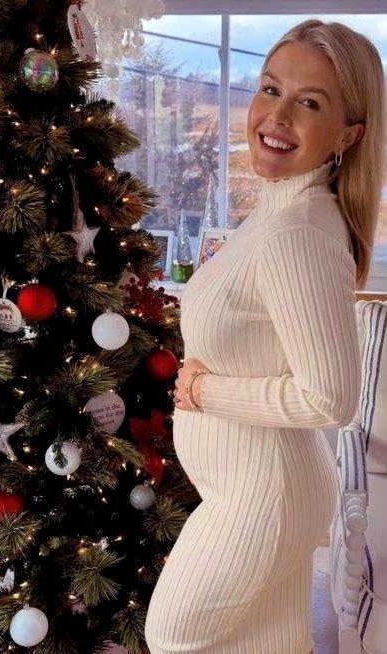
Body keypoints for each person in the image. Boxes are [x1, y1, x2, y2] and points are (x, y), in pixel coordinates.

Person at [144, 19, 385, 654]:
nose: (276, 117)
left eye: (310, 103)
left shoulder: (297, 231)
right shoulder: (281, 206)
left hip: (263, 494)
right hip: (261, 485)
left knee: (171, 635)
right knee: (268, 643)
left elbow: (329, 399)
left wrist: (204, 391)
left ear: (349, 134)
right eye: (271, 89)